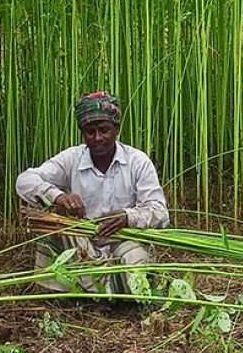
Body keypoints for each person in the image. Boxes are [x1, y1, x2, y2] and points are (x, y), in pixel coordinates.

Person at [15, 92, 169, 297]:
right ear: (83, 133)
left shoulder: (138, 162)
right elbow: (24, 180)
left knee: (136, 262)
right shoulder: (72, 158)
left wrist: (127, 217)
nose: (97, 138)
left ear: (116, 129)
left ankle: (98, 292)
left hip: (123, 242)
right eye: (90, 132)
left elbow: (161, 214)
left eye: (104, 130)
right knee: (52, 231)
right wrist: (58, 197)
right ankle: (89, 292)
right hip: (81, 242)